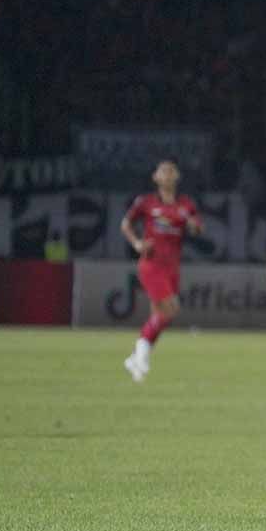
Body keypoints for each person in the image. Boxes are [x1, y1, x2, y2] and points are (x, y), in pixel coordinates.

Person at [120, 159, 202, 381]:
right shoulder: (145, 202)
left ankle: (136, 360)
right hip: (152, 264)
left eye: (171, 171)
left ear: (177, 177)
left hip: (173, 266)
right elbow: (125, 224)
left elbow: (197, 229)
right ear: (155, 177)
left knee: (160, 315)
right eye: (163, 172)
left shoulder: (185, 204)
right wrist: (137, 243)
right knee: (171, 309)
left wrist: (192, 224)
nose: (167, 175)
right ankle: (140, 352)